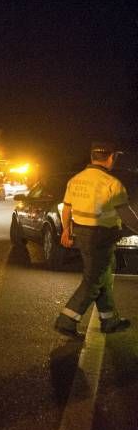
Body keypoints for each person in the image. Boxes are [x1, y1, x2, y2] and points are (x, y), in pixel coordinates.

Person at [54, 142, 131, 338]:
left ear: (92, 157)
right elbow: (127, 215)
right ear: (111, 157)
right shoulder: (112, 183)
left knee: (101, 276)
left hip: (81, 234)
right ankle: (67, 320)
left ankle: (110, 320)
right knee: (93, 280)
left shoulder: (75, 180)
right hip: (102, 237)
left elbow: (67, 208)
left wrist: (66, 231)